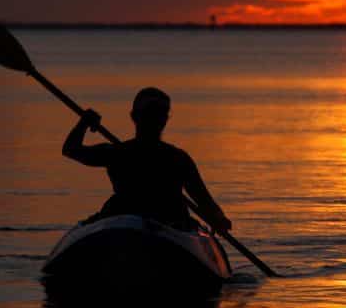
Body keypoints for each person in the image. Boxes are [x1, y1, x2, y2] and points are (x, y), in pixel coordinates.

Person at [62, 87, 232, 233]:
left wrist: (219, 219)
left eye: (159, 114)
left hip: (170, 226)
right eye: (150, 113)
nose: (154, 119)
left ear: (165, 119)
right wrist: (83, 123)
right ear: (135, 116)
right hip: (126, 223)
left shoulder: (175, 158)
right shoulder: (119, 153)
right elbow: (70, 150)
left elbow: (205, 201)